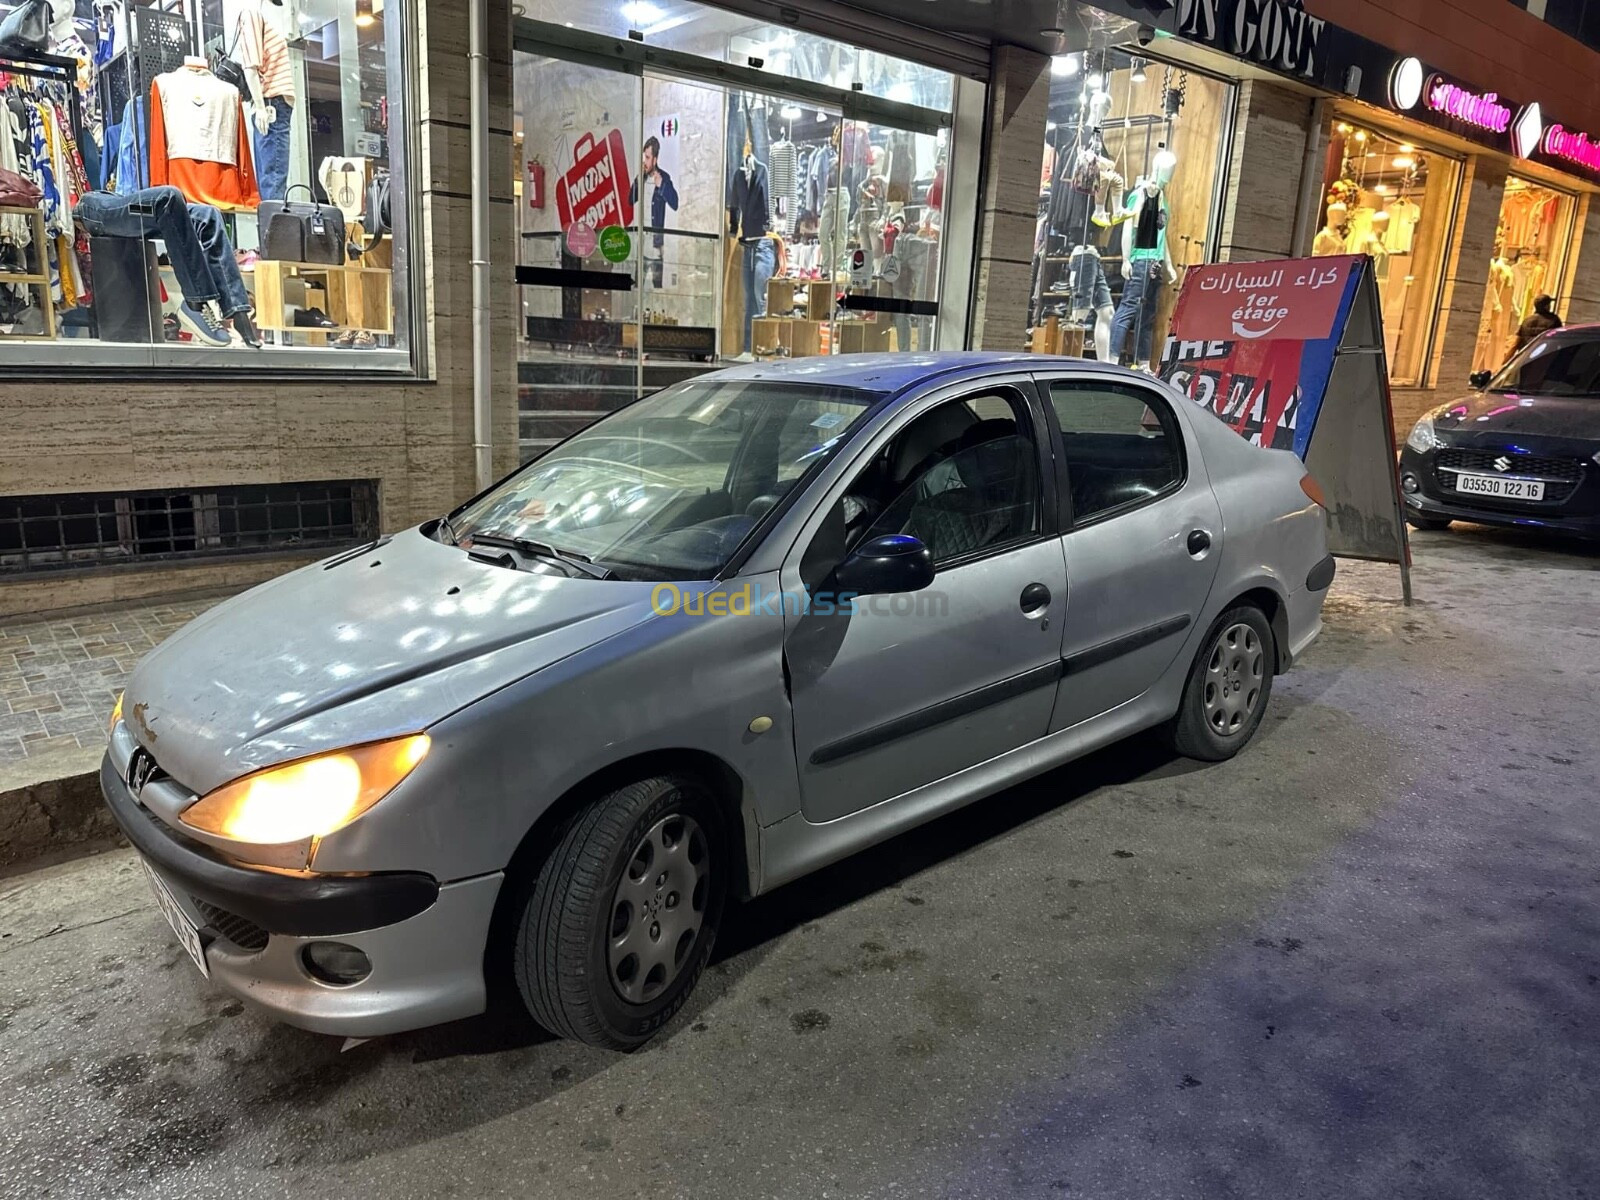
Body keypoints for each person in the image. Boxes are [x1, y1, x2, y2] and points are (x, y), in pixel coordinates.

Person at [629, 135, 678, 289]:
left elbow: (675, 203)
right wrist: (637, 181)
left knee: (657, 288)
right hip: (641, 246)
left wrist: (662, 185)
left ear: (655, 160)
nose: (645, 161)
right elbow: (630, 200)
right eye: (644, 157)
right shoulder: (642, 178)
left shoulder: (664, 178)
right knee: (637, 287)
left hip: (657, 247)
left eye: (648, 157)